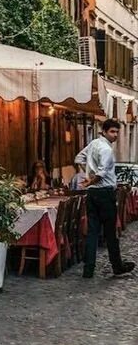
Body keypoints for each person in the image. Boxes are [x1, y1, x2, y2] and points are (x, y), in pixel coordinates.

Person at [75, 118, 135, 280]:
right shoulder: (106, 150)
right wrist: (91, 178)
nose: (115, 135)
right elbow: (101, 174)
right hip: (105, 193)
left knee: (93, 232)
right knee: (110, 232)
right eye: (112, 132)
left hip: (92, 194)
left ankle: (88, 270)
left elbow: (79, 158)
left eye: (117, 132)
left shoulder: (94, 143)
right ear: (104, 131)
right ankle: (117, 266)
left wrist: (88, 173)